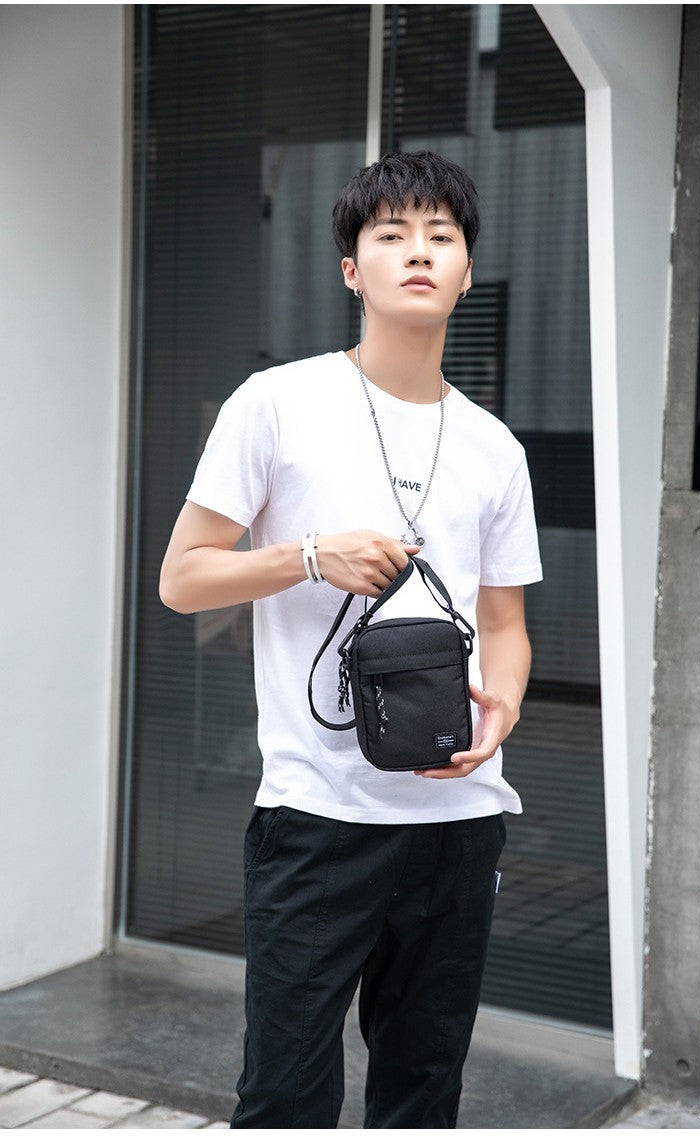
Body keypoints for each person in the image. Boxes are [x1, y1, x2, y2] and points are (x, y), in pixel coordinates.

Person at [160, 150, 542, 1129]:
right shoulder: (276, 404)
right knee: (285, 1096)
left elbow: (504, 623)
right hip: (317, 818)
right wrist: (308, 556)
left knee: (423, 1092)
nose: (418, 251)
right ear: (350, 270)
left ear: (467, 270)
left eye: (441, 236)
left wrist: (500, 707)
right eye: (392, 234)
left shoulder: (496, 448)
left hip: (459, 822)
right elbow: (183, 577)